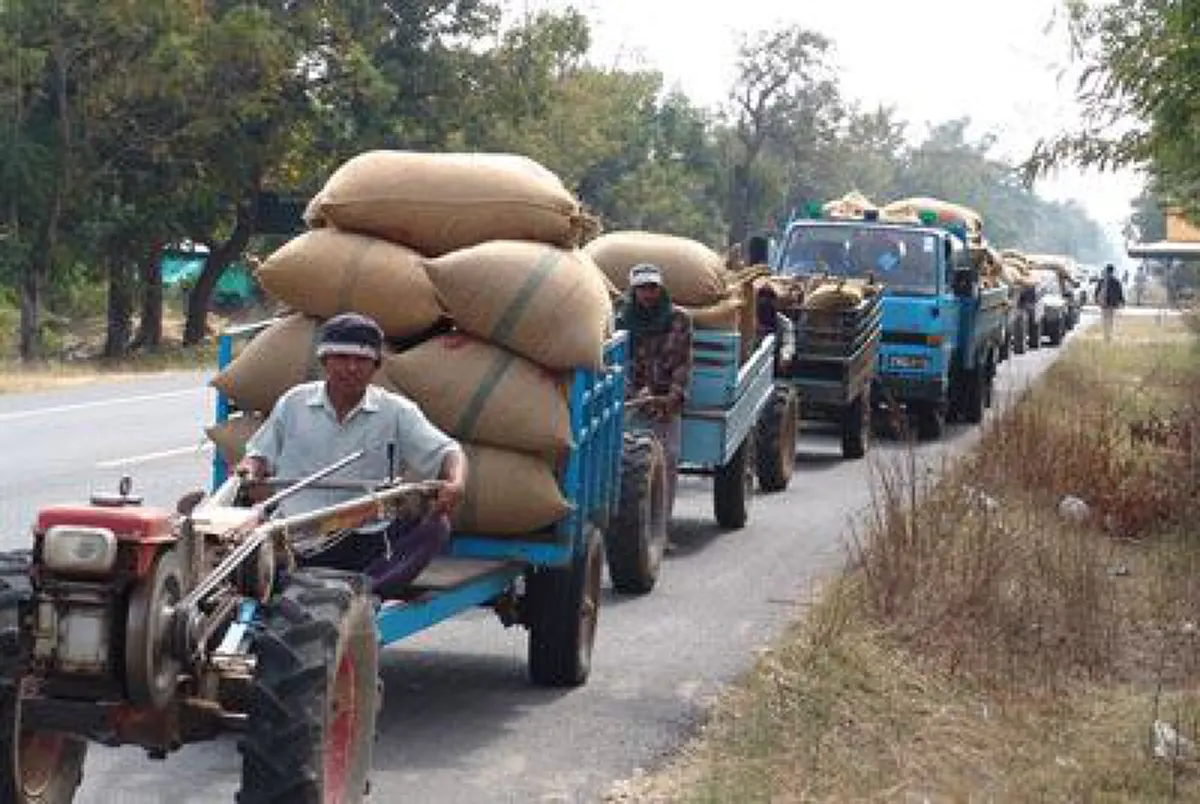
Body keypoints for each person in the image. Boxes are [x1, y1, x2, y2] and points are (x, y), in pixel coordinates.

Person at [236, 312, 468, 592]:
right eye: (342, 358)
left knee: (436, 527)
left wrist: (455, 483)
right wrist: (249, 470)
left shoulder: (396, 411)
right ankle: (289, 582)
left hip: (368, 539)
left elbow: (448, 451)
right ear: (324, 362)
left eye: (361, 360)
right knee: (238, 541)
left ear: (375, 366)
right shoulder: (294, 402)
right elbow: (258, 455)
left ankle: (364, 592)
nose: (351, 368)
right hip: (299, 537)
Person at [615, 264, 693, 522]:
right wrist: (636, 393)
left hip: (666, 402)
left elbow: (683, 362)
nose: (648, 294)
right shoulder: (622, 322)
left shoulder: (678, 319)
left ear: (660, 288)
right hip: (634, 401)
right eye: (642, 288)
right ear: (633, 291)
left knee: (668, 458)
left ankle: (662, 525)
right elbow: (619, 364)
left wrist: (672, 396)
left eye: (652, 288)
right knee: (627, 464)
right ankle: (631, 525)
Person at [1095, 263, 1126, 342]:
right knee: (1110, 320)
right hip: (1111, 303)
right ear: (1112, 271)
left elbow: (1097, 291)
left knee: (1105, 319)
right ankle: (1108, 335)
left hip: (1104, 303)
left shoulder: (1102, 280)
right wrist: (1122, 301)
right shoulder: (1116, 281)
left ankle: (1106, 335)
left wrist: (1096, 300)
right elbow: (1120, 292)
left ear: (1106, 270)